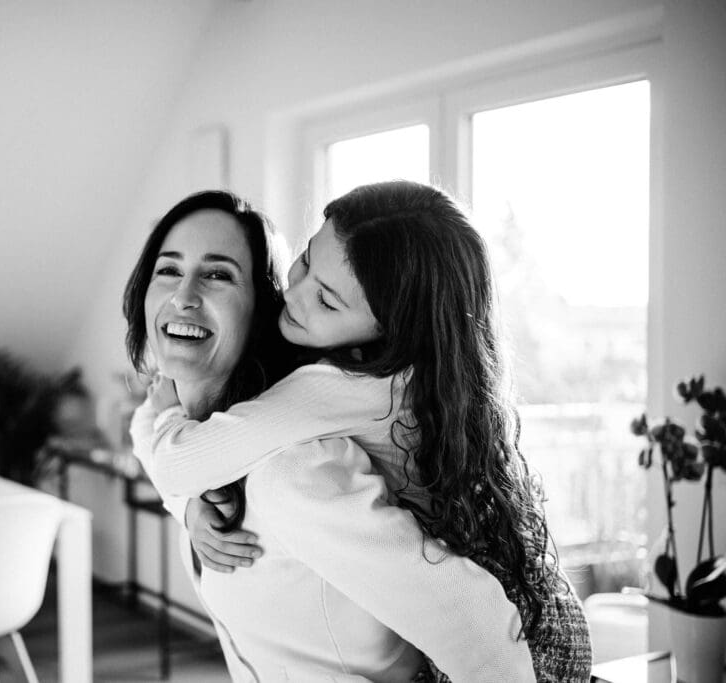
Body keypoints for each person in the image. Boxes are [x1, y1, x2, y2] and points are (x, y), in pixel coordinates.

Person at [136, 181, 592, 681]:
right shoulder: (240, 422)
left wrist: (175, 460)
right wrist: (186, 502)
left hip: (534, 638)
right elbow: (167, 449)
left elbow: (485, 639)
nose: (294, 293)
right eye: (306, 262)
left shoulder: (301, 458)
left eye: (219, 274)